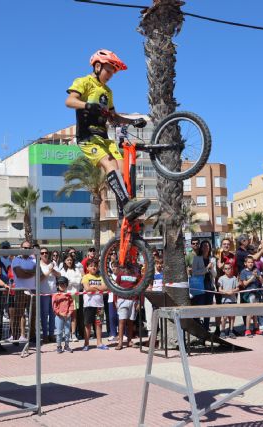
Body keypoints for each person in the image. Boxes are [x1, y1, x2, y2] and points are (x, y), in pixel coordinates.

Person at [65, 49, 150, 221]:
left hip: (104, 138)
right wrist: (88, 106)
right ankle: (126, 205)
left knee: (122, 169)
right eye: (109, 70)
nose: (111, 74)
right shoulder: (84, 81)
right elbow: (69, 101)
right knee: (110, 165)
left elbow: (114, 117)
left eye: (113, 72)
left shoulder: (108, 92)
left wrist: (132, 122)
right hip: (88, 137)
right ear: (97, 66)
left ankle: (124, 209)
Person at [12, 241, 37, 343]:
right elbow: (19, 274)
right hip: (20, 290)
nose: (27, 250)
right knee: (20, 314)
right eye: (25, 248)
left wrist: (26, 271)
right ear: (21, 248)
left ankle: (32, 336)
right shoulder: (16, 260)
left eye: (29, 248)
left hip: (32, 290)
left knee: (33, 314)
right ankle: (19, 336)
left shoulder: (34, 260)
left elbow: (36, 272)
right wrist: (31, 272)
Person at [81, 258, 108, 351]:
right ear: (87, 268)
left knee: (99, 324)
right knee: (87, 325)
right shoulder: (85, 277)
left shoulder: (101, 277)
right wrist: (98, 288)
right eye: (91, 266)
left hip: (99, 304)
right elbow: (87, 288)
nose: (94, 267)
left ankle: (99, 343)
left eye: (95, 266)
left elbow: (105, 287)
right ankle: (86, 343)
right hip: (89, 305)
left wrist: (94, 287)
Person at [114, 263, 141, 350]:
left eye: (131, 265)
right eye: (127, 265)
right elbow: (115, 288)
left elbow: (139, 289)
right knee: (121, 321)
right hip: (122, 300)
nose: (129, 266)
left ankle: (129, 341)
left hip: (133, 301)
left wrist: (139, 302)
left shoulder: (137, 275)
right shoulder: (120, 275)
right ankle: (120, 342)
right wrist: (115, 300)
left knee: (130, 322)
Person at [190, 240, 215, 331]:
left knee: (208, 308)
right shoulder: (197, 258)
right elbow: (195, 272)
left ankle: (206, 327)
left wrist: (211, 269)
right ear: (201, 247)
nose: (206, 248)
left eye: (207, 246)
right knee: (199, 306)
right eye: (204, 246)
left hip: (209, 284)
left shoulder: (212, 259)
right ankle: (197, 327)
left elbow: (215, 274)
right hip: (199, 285)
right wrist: (206, 268)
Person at [58, 255, 82, 342]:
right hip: (65, 295)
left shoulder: (77, 270)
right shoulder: (62, 271)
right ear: (64, 261)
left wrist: (69, 281)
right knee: (65, 315)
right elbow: (62, 282)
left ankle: (73, 333)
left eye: (71, 260)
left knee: (74, 315)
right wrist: (71, 281)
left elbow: (79, 281)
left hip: (75, 294)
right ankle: (66, 333)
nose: (69, 261)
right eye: (68, 260)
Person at [39, 247, 60, 343]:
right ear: (39, 255)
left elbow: (59, 275)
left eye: (46, 252)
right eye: (42, 253)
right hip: (43, 293)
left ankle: (51, 334)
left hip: (53, 293)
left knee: (53, 315)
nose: (44, 254)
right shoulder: (38, 264)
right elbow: (39, 279)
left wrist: (53, 270)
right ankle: (45, 335)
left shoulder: (53, 263)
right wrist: (48, 271)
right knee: (44, 315)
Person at [239, 256, 261, 337]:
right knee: (249, 312)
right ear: (245, 263)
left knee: (255, 312)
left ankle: (256, 328)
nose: (250, 263)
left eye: (252, 262)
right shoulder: (243, 272)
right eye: (249, 262)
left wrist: (258, 276)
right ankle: (247, 329)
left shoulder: (256, 270)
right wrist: (252, 277)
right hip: (248, 294)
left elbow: (262, 281)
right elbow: (244, 284)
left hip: (256, 293)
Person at [52, 276, 74, 354]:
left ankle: (67, 345)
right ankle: (59, 346)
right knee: (59, 332)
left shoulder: (69, 295)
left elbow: (71, 305)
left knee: (67, 332)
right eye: (61, 284)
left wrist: (69, 313)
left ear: (67, 285)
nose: (62, 286)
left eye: (64, 284)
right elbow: (54, 307)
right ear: (57, 285)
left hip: (67, 316)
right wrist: (59, 313)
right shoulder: (55, 295)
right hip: (59, 317)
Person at [217, 265, 238, 339]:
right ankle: (222, 331)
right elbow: (219, 289)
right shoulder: (221, 278)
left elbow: (237, 288)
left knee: (232, 316)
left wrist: (232, 291)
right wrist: (226, 292)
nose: (228, 270)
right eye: (226, 269)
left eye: (229, 268)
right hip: (225, 300)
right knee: (225, 317)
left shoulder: (234, 278)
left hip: (233, 300)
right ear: (223, 270)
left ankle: (231, 331)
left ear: (231, 269)